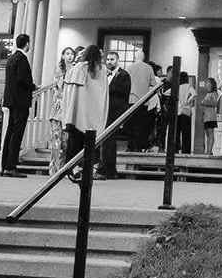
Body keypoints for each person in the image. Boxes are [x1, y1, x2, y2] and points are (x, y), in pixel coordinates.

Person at [61, 45, 109, 183]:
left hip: (79, 112)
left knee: (75, 142)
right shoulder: (102, 69)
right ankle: (91, 170)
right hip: (95, 112)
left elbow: (69, 89)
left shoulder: (79, 68)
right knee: (93, 143)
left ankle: (73, 169)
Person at [0, 33, 36, 177]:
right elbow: (22, 79)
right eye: (29, 43)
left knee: (10, 132)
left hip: (11, 100)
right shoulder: (22, 59)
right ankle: (11, 166)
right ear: (27, 44)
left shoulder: (11, 59)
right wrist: (33, 86)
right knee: (17, 133)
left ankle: (4, 166)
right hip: (20, 101)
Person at [100, 50, 129, 179]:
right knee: (105, 141)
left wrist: (107, 88)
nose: (109, 62)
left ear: (117, 61)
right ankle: (109, 169)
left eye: (112, 59)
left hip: (115, 112)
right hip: (103, 111)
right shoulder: (103, 75)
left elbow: (124, 92)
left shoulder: (124, 75)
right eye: (108, 59)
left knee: (109, 141)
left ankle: (106, 169)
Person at [48, 46, 76, 173]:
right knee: (56, 139)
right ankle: (54, 167)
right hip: (59, 107)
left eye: (72, 54)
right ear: (63, 55)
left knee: (66, 141)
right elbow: (59, 86)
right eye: (67, 53)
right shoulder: (59, 69)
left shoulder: (75, 69)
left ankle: (64, 167)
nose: (70, 56)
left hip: (69, 109)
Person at [124, 48, 157, 151]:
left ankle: (130, 146)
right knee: (141, 125)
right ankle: (139, 146)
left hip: (130, 100)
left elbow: (124, 83)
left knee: (130, 125)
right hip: (143, 101)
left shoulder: (128, 68)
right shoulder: (148, 68)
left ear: (135, 57)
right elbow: (154, 84)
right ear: (144, 58)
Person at [199, 77, 221, 154]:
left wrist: (204, 103)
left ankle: (209, 150)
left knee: (210, 133)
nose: (206, 84)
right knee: (207, 134)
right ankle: (208, 150)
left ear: (211, 84)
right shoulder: (208, 93)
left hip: (210, 116)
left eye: (208, 83)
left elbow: (215, 103)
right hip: (206, 116)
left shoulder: (214, 93)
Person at [176, 74, 196, 154]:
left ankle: (176, 149)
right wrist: (189, 100)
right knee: (186, 132)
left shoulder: (178, 87)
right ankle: (186, 151)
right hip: (186, 110)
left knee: (177, 132)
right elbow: (194, 94)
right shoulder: (188, 86)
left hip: (178, 110)